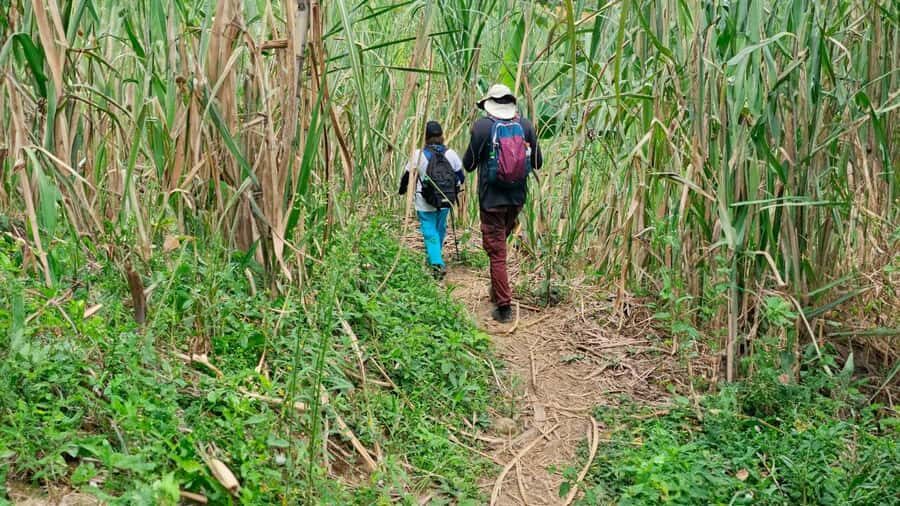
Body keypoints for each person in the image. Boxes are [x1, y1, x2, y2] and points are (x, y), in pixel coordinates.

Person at [463, 84, 542, 322]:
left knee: (496, 253)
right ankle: (497, 288)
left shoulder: (482, 127)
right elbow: (537, 162)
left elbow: (469, 164)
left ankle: (504, 306)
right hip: (517, 199)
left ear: (490, 104)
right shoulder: (525, 126)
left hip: (491, 201)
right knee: (499, 246)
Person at [398, 120, 465, 279]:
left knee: (429, 231)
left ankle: (436, 262)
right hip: (446, 200)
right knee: (440, 228)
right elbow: (460, 177)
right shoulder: (451, 154)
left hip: (425, 200)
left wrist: (402, 190)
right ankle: (436, 256)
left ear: (425, 137)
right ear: (442, 136)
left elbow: (407, 176)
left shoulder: (418, 155)